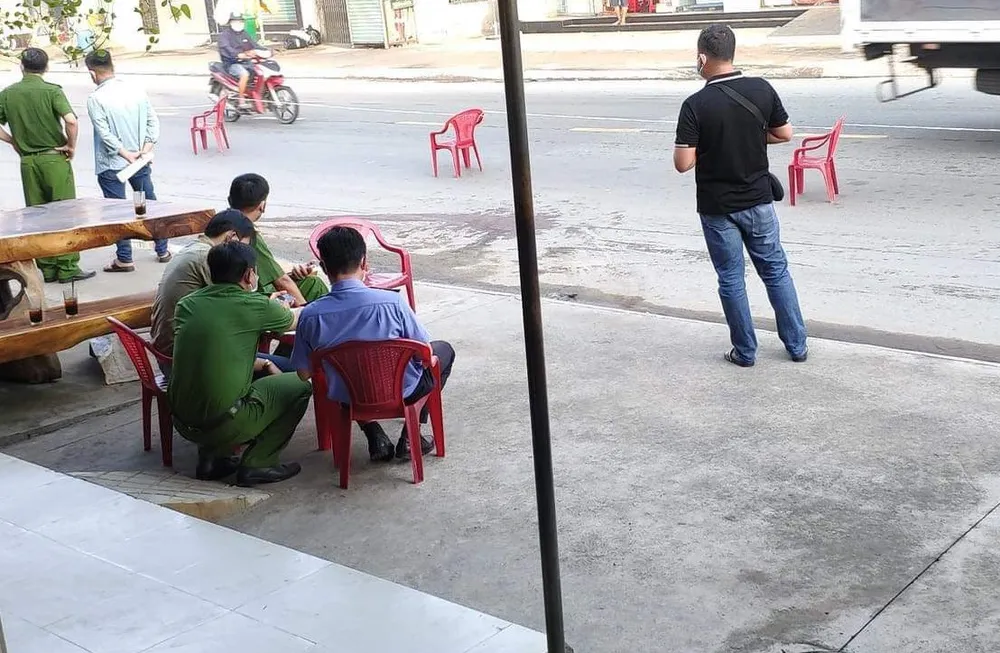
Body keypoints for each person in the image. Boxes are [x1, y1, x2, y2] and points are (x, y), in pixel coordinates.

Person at [673, 24, 807, 367]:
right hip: (758, 201)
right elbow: (785, 134)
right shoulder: (761, 88)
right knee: (775, 272)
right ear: (732, 54)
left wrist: (713, 145)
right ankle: (797, 346)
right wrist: (748, 136)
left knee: (731, 279)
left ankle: (745, 352)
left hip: (718, 208)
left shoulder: (695, 105)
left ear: (702, 58)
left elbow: (683, 163)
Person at [291, 226, 455, 462]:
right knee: (443, 351)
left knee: (348, 373)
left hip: (348, 397)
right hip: (403, 391)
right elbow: (425, 352)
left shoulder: (310, 315)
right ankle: (411, 436)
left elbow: (303, 373)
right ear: (364, 262)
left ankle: (374, 433)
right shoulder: (392, 303)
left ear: (324, 268)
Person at [168, 241, 311, 486]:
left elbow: (216, 353)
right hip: (224, 423)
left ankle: (212, 460)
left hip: (182, 421)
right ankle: (260, 463)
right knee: (301, 385)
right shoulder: (255, 306)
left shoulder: (187, 304)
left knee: (222, 380)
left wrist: (264, 364)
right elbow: (296, 319)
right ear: (248, 275)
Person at [0, 48, 94, 284]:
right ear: (46, 67)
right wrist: (70, 145)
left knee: (37, 215)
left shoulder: (8, 94)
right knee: (64, 212)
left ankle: (48, 267)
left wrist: (13, 141)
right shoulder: (52, 91)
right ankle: (67, 266)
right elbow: (71, 121)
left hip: (28, 161)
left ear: (22, 67)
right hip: (54, 158)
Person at [84, 49, 171, 273]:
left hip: (112, 165)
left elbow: (104, 133)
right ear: (112, 66)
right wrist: (145, 148)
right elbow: (153, 121)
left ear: (92, 73)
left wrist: (124, 153)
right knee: (148, 205)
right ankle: (162, 249)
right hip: (139, 161)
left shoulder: (96, 98)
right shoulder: (135, 90)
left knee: (117, 211)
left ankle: (125, 258)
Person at [151, 209, 256, 374]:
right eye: (242, 247)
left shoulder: (194, 249)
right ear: (232, 237)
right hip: (181, 361)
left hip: (168, 350)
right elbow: (237, 306)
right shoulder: (207, 257)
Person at [227, 173, 329, 307]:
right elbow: (281, 282)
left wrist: (293, 275)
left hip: (242, 292)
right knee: (315, 286)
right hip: (255, 299)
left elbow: (273, 274)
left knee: (310, 282)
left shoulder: (220, 224)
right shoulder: (248, 235)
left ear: (230, 200)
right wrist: (304, 311)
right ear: (262, 205)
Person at [218, 13, 270, 108]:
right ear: (231, 23)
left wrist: (267, 50)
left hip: (246, 61)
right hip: (231, 63)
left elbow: (254, 45)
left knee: (261, 72)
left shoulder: (244, 33)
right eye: (236, 21)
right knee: (244, 74)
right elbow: (226, 48)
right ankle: (241, 98)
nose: (238, 23)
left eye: (240, 21)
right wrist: (237, 54)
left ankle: (259, 95)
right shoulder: (225, 35)